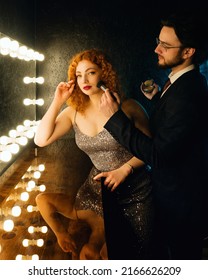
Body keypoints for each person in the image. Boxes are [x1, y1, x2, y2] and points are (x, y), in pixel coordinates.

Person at [98, 12, 208, 260]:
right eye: (157, 41)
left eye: (166, 45)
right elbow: (177, 127)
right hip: (174, 198)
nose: (157, 49)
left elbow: (159, 154)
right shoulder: (181, 82)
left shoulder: (187, 94)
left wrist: (114, 119)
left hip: (181, 207)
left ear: (188, 51)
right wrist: (159, 98)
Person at [34, 48, 155, 260]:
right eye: (78, 75)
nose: (84, 80)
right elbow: (40, 140)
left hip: (136, 190)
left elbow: (152, 152)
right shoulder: (73, 111)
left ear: (104, 73)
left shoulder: (129, 107)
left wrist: (124, 170)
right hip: (98, 189)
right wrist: (58, 101)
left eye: (90, 72)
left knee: (141, 252)